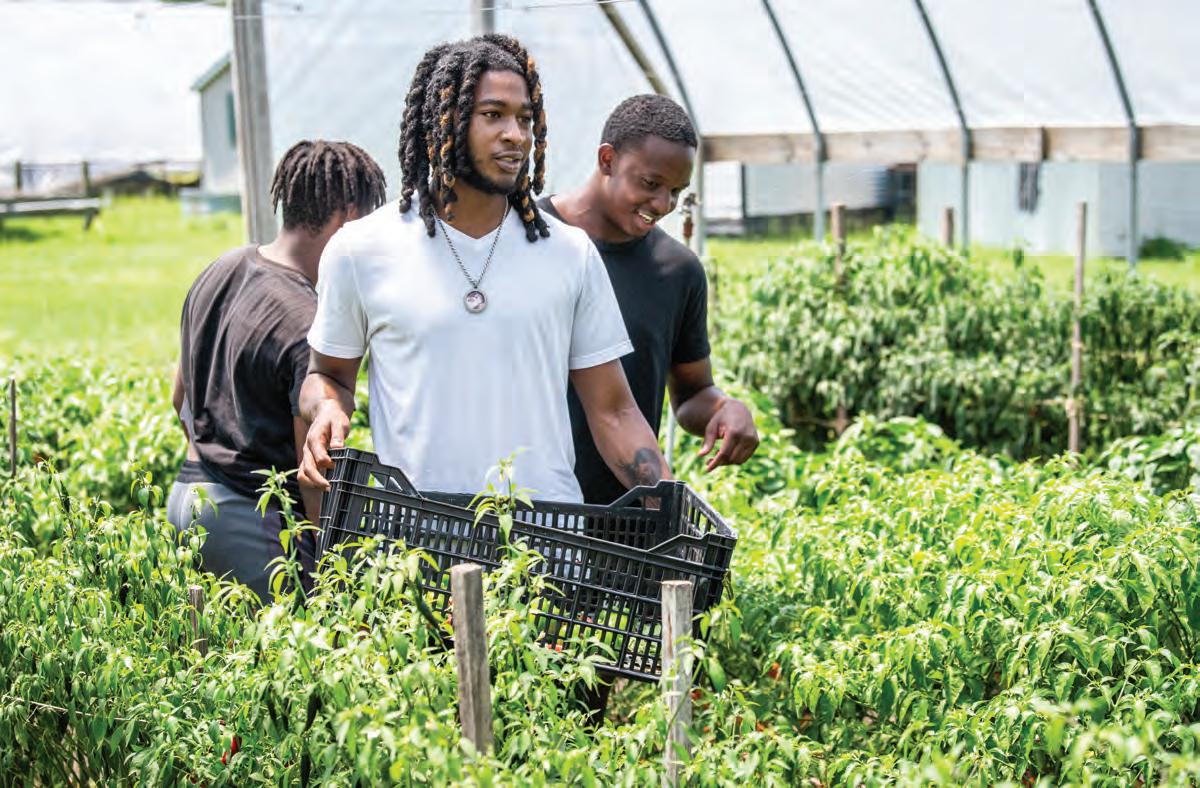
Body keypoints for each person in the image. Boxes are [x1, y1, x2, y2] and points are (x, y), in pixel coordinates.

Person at [298, 36, 672, 510]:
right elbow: (328, 376)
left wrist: (672, 507)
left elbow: (614, 412)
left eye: (525, 118)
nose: (516, 135)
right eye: (493, 114)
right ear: (444, 121)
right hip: (418, 537)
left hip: (542, 538)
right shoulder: (362, 250)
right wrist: (327, 408)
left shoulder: (568, 253)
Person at [168, 139, 387, 602]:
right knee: (299, 639)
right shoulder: (308, 322)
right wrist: (330, 573)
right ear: (348, 218)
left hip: (187, 497)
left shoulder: (221, 268)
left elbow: (179, 397)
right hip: (252, 520)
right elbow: (314, 476)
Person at [538, 94, 759, 507]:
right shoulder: (528, 239)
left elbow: (691, 393)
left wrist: (723, 408)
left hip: (624, 516)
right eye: (650, 184)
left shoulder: (677, 271)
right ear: (607, 160)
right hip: (520, 504)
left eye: (676, 191)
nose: (663, 205)